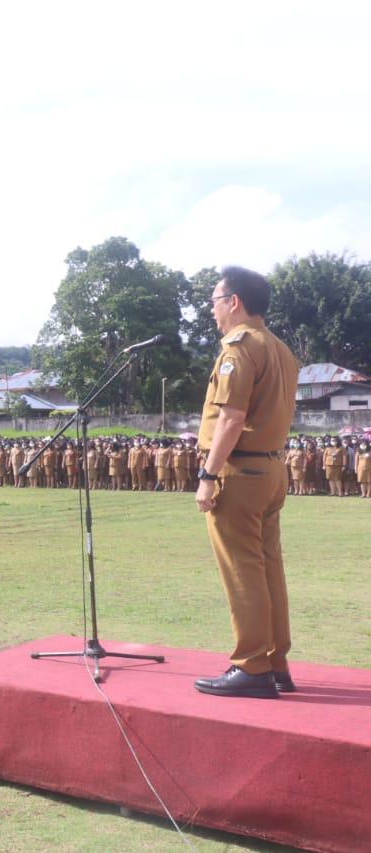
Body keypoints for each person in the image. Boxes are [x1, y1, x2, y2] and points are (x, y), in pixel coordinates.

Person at [193, 267, 300, 699]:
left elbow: (232, 419)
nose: (214, 311)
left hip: (240, 470)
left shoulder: (238, 350)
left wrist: (208, 473)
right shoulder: (281, 350)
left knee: (243, 571)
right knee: (268, 567)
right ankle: (276, 663)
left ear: (234, 302)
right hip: (271, 470)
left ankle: (251, 664)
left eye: (216, 301)